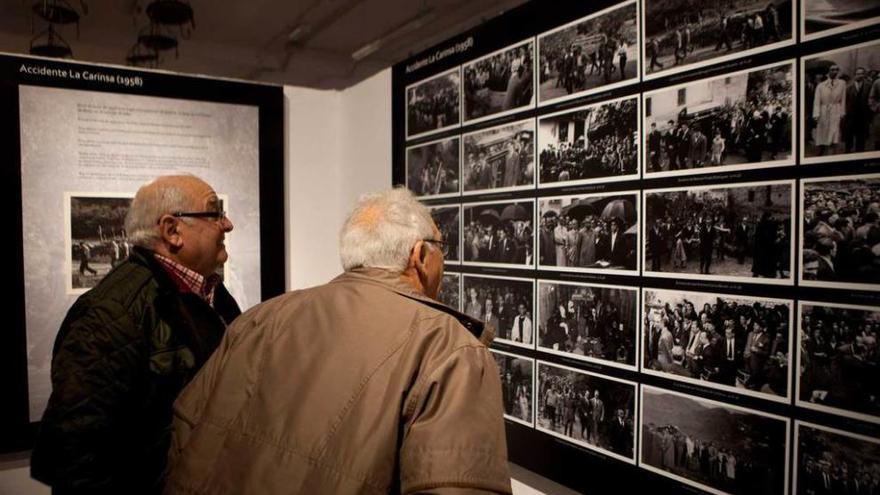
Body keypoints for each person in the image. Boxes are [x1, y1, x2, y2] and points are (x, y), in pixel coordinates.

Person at [164, 188, 511, 495]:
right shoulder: (448, 346)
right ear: (419, 255)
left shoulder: (262, 317)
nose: (444, 260)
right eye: (441, 247)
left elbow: (184, 433)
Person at [32, 175, 241, 493]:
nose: (227, 224)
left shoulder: (211, 293)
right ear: (172, 231)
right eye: (214, 213)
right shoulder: (112, 312)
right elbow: (75, 454)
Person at [813, 64, 847, 155]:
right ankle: (822, 151)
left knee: (834, 132)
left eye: (836, 70)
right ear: (828, 71)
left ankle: (832, 152)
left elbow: (843, 99)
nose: (834, 72)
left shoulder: (842, 83)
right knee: (823, 133)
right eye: (832, 69)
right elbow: (817, 101)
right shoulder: (821, 86)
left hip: (836, 109)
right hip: (824, 110)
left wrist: (842, 112)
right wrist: (816, 114)